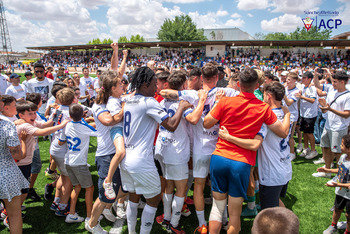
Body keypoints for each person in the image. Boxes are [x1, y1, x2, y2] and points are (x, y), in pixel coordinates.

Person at [203, 67, 290, 234]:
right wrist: (287, 115)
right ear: (257, 85)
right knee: (234, 214)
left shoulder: (225, 101)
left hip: (219, 157)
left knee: (217, 207)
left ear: (238, 84)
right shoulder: (263, 108)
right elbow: (282, 132)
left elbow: (206, 123)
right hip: (241, 162)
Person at [121, 66, 191, 234]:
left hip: (126, 158)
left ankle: (132, 232)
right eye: (154, 84)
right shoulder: (149, 102)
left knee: (133, 197)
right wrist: (181, 107)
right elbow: (172, 125)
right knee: (153, 199)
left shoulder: (128, 100)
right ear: (145, 84)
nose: (156, 88)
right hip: (141, 161)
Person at [155, 70, 194, 233]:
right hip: (177, 151)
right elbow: (193, 120)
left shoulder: (161, 102)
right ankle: (174, 223)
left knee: (169, 185)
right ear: (184, 85)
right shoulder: (183, 102)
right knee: (182, 188)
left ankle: (167, 218)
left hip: (163, 148)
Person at [15, 101, 69, 209]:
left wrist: (54, 116)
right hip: (21, 163)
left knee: (22, 188)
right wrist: (62, 125)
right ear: (21, 115)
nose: (34, 116)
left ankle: (15, 207)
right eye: (30, 114)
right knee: (22, 189)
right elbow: (43, 132)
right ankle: (10, 211)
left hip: (26, 161)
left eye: (35, 113)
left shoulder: (31, 122)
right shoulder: (25, 126)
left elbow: (45, 125)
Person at [58, 104, 97, 223]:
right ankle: (90, 216)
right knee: (89, 188)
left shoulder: (68, 125)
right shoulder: (83, 126)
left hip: (68, 161)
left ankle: (72, 213)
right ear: (83, 114)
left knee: (77, 187)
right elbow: (97, 132)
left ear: (69, 115)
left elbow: (61, 142)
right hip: (79, 163)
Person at [0, 94, 29, 234]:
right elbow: (17, 155)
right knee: (14, 214)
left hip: (6, 172)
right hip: (6, 173)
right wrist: (23, 143)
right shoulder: (6, 125)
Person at [313, 71, 350, 178]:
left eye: (334, 82)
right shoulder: (332, 91)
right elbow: (327, 110)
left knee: (338, 152)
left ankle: (340, 175)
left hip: (339, 128)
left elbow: (347, 114)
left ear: (342, 82)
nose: (332, 83)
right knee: (326, 148)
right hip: (328, 125)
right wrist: (324, 108)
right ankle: (327, 171)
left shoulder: (348, 95)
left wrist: (330, 109)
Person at [318, 135, 350, 234]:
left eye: (342, 144)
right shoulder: (343, 157)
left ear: (349, 149)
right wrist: (328, 170)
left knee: (349, 215)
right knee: (337, 209)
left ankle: (347, 231)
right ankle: (333, 226)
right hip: (341, 192)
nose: (340, 146)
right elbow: (340, 170)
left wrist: (337, 185)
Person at [295, 71, 318, 159]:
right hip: (304, 113)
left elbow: (312, 100)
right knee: (304, 132)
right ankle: (306, 148)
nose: (302, 79)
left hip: (310, 114)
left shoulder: (312, 89)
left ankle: (313, 150)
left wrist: (302, 97)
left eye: (304, 78)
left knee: (309, 133)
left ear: (309, 79)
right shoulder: (304, 87)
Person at [283, 72, 301, 160]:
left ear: (294, 81)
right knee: (285, 134)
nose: (287, 81)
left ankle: (292, 152)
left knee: (290, 135)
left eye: (289, 79)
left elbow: (289, 103)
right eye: (287, 79)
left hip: (292, 115)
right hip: (284, 114)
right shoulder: (286, 89)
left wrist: (283, 94)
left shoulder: (296, 91)